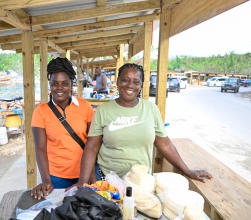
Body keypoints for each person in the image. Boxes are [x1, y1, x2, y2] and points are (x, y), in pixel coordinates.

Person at [76, 63, 212, 185]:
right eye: (125, 80)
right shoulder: (103, 110)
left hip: (141, 183)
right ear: (117, 81)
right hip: (108, 180)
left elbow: (165, 145)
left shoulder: (151, 109)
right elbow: (92, 147)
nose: (130, 85)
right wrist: (82, 182)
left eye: (136, 81)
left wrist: (187, 171)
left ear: (141, 85)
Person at [31, 57, 95, 200]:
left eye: (64, 84)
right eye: (55, 84)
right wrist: (46, 180)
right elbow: (40, 147)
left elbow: (93, 143)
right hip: (56, 176)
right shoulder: (40, 111)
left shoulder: (85, 107)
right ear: (50, 85)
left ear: (71, 84)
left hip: (84, 172)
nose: (59, 88)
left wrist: (91, 171)